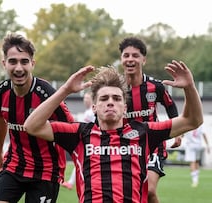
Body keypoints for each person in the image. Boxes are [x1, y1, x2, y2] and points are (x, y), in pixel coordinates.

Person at [24, 61, 203, 203]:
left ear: (125, 108)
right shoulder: (79, 134)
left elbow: (193, 120)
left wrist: (189, 87)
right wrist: (65, 90)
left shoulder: (144, 132)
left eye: (116, 98)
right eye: (104, 98)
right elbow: (32, 126)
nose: (110, 102)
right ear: (94, 107)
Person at [0, 33, 74, 203]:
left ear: (32, 64)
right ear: (4, 64)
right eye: (13, 61)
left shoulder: (48, 95)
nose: (18, 68)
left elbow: (72, 128)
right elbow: (0, 119)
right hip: (14, 165)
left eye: (24, 61)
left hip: (47, 170)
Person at [119, 37, 182, 203]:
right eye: (126, 55)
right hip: (125, 146)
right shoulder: (115, 88)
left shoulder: (156, 86)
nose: (130, 59)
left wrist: (178, 133)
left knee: (150, 191)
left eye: (135, 55)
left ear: (143, 60)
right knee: (128, 193)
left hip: (153, 143)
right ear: (121, 59)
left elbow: (170, 106)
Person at [61, 92, 95, 190]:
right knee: (82, 161)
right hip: (87, 140)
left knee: (83, 161)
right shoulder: (87, 112)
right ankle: (72, 182)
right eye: (84, 98)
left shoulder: (91, 112)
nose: (85, 100)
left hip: (91, 141)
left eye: (87, 98)